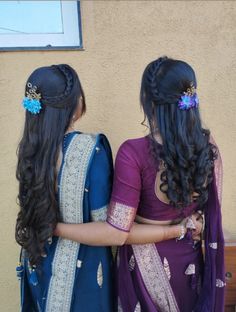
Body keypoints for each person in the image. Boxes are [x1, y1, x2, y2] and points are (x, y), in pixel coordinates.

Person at [15, 63, 200, 312]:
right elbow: (112, 230)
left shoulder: (29, 151)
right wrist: (176, 228)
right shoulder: (91, 150)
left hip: (38, 260)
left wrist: (48, 228)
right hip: (85, 274)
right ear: (76, 104)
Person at [54, 57, 223, 312]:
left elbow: (118, 233)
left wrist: (55, 228)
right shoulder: (207, 146)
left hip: (143, 270)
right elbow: (208, 210)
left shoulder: (133, 152)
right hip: (189, 265)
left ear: (146, 99)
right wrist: (185, 226)